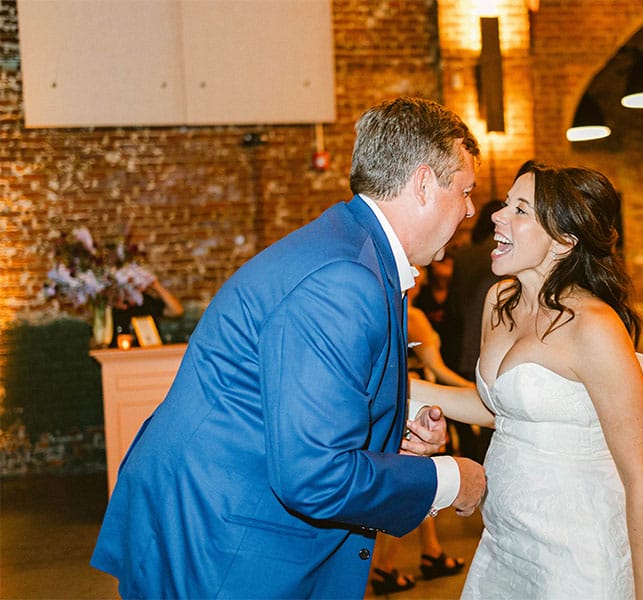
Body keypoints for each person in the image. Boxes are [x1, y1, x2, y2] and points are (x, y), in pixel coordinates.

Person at [90, 96, 487, 599]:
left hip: (220, 503)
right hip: (223, 537)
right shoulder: (345, 278)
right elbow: (314, 474)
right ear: (425, 184)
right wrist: (448, 477)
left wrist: (389, 434)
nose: (471, 209)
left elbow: (310, 398)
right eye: (466, 191)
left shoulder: (350, 247)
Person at [413, 161, 643, 599]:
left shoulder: (594, 328)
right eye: (505, 205)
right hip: (507, 542)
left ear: (564, 240)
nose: (497, 216)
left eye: (520, 210)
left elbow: (638, 476)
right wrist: (403, 391)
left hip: (578, 550)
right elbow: (499, 407)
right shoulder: (499, 300)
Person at [369, 271, 473, 594]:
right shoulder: (412, 318)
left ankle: (431, 553)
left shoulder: (381, 312)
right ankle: (385, 567)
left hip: (394, 409)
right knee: (412, 486)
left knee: (411, 483)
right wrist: (474, 392)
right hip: (419, 411)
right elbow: (439, 371)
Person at [442, 199, 504, 462]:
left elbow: (453, 304)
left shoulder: (465, 255)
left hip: (465, 344)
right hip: (497, 342)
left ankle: (470, 458)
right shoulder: (502, 255)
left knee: (470, 409)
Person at [110, 275, 184, 347]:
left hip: (152, 351)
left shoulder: (147, 301)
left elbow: (176, 311)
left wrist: (156, 286)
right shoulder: (112, 305)